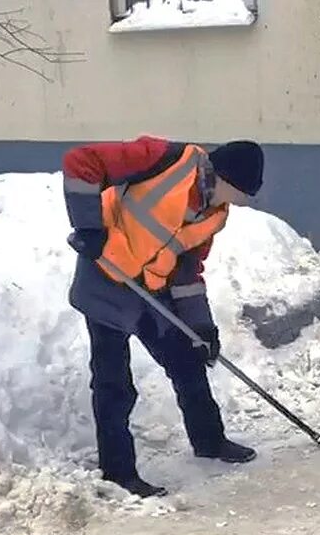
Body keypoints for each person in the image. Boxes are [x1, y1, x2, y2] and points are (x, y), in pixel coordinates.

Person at [62, 135, 265, 498]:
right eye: (242, 193)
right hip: (106, 276)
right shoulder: (164, 158)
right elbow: (82, 161)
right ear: (227, 178)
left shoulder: (214, 214)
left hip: (151, 292)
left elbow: (188, 271)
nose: (242, 202)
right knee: (113, 383)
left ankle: (210, 441)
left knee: (188, 362)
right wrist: (89, 227)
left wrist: (200, 326)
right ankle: (119, 472)